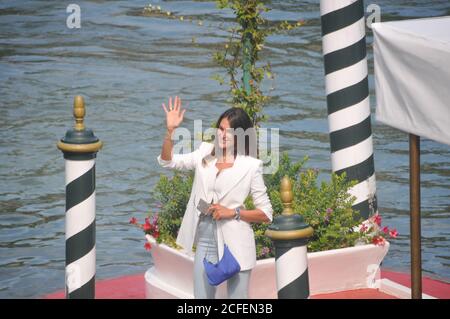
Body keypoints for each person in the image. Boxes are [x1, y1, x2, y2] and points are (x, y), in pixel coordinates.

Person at [157, 96, 273, 299]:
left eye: (230, 131)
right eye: (221, 129)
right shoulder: (204, 152)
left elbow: (266, 213)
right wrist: (170, 131)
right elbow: (168, 162)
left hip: (236, 242)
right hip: (206, 238)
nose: (223, 135)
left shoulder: (251, 166)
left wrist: (233, 212)